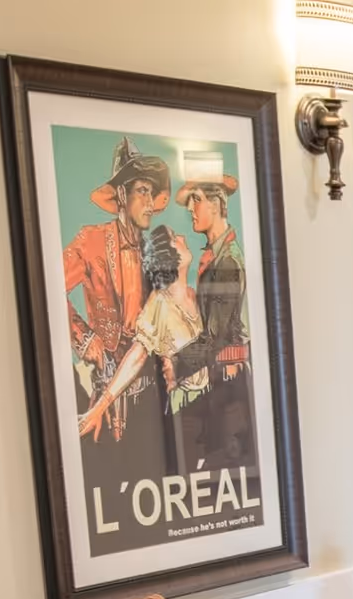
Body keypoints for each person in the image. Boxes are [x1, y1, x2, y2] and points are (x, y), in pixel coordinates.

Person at [63, 138, 170, 452]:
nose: (150, 202)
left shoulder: (157, 252)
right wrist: (84, 337)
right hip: (108, 397)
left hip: (152, 395)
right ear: (121, 194)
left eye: (152, 193)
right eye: (142, 191)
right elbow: (47, 289)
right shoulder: (90, 241)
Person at [79, 226, 203, 443]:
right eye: (175, 238)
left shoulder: (195, 295)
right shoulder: (159, 305)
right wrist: (99, 408)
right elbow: (135, 358)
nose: (183, 237)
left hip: (211, 406)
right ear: (167, 256)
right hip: (185, 413)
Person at [169, 157, 254, 470]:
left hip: (230, 381)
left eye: (197, 200)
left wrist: (174, 366)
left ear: (217, 204)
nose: (192, 208)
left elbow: (216, 337)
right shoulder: (213, 257)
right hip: (216, 378)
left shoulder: (228, 261)